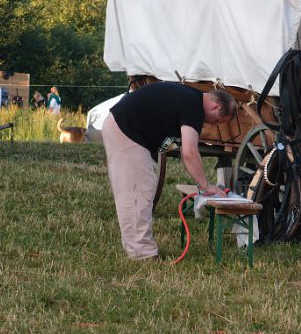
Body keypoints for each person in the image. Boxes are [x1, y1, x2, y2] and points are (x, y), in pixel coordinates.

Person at [102, 83, 238, 260]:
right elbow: (189, 152)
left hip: (124, 126)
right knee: (137, 192)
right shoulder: (194, 107)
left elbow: (183, 151)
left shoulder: (191, 97)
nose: (213, 124)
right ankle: (142, 254)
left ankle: (138, 248)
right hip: (126, 130)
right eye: (217, 120)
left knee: (141, 188)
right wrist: (206, 186)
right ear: (216, 107)